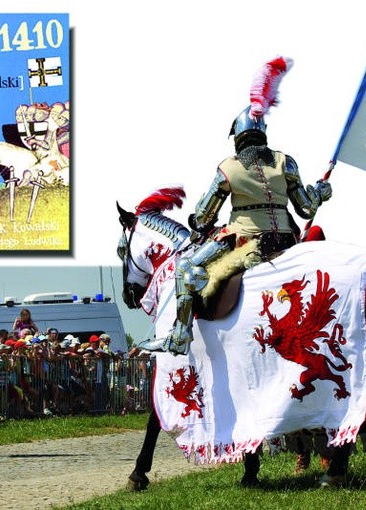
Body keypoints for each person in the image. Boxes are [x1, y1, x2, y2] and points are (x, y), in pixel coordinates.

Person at [141, 56, 331, 354]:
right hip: (287, 239)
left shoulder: (229, 167)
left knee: (186, 267)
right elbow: (306, 209)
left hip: (246, 242)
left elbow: (204, 217)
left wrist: (196, 222)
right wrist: (319, 192)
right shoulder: (285, 162)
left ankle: (179, 336)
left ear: (239, 138)